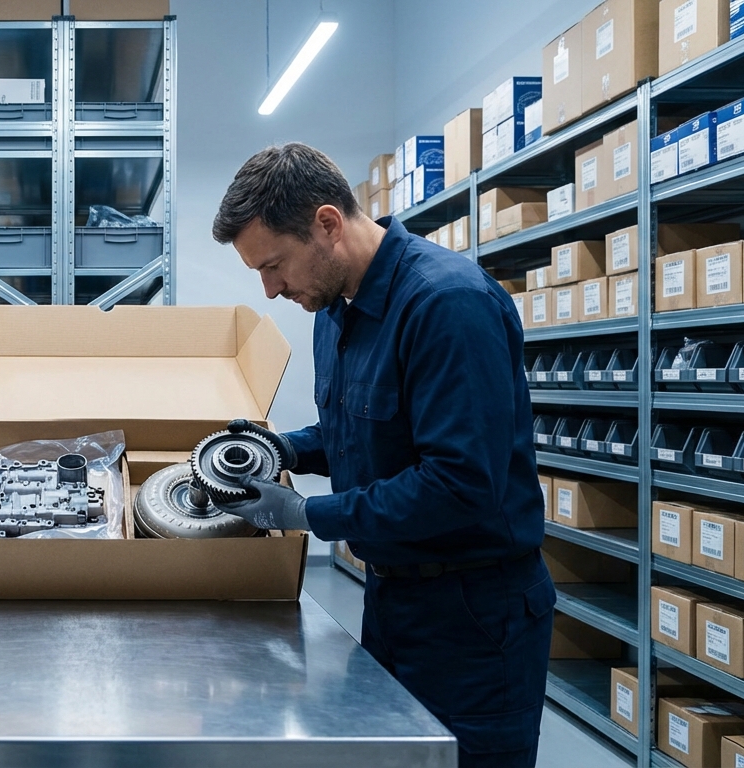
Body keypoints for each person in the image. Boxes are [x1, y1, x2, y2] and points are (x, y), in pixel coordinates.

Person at [209, 142, 554, 768]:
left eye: (274, 265)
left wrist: (307, 514)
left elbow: (457, 484)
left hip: (475, 616)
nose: (269, 289)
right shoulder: (333, 309)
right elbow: (358, 432)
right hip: (391, 599)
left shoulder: (447, 304)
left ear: (327, 224)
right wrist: (282, 446)